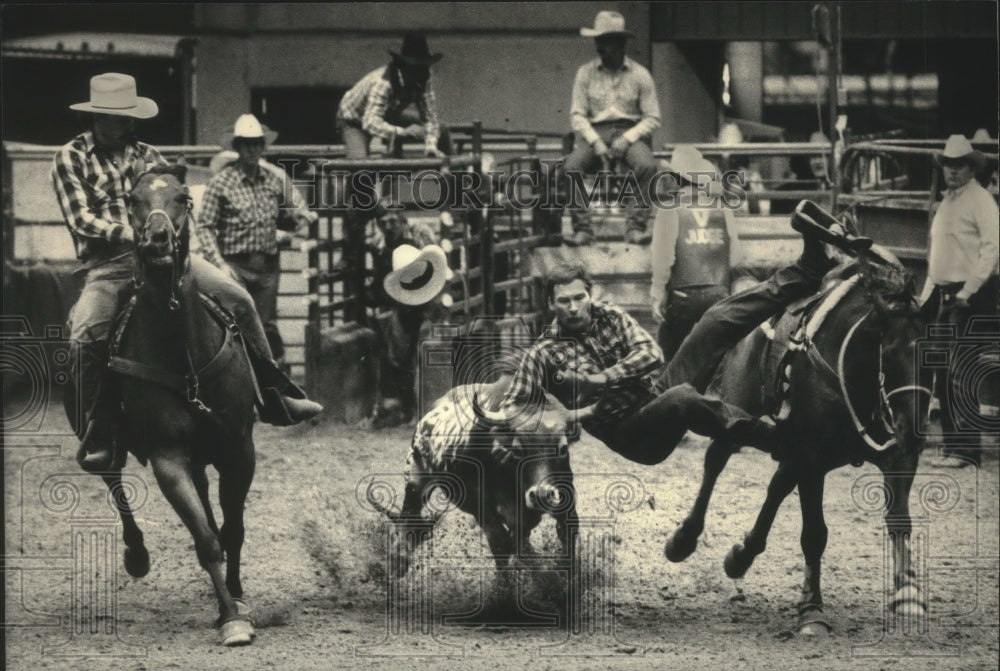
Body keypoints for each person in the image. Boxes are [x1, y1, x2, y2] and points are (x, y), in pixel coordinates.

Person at [52, 73, 323, 473]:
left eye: (127, 116)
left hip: (164, 259)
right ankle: (100, 431)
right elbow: (82, 219)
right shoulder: (70, 158)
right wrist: (136, 234)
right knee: (84, 336)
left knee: (239, 298)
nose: (122, 124)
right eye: (113, 116)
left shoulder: (149, 156)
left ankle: (276, 394)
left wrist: (167, 241)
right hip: (108, 266)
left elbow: (177, 204)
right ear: (95, 118)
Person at [500, 202, 872, 465]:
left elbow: (651, 354)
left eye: (579, 297)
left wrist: (599, 378)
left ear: (589, 293)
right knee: (683, 397)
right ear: (551, 305)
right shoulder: (543, 354)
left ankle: (807, 269)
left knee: (714, 320)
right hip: (632, 436)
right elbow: (513, 404)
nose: (574, 307)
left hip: (652, 392)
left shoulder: (608, 315)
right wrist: (550, 420)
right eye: (564, 301)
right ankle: (780, 442)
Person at [195, 114, 318, 369]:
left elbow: (288, 213)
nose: (252, 149)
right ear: (237, 147)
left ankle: (273, 380)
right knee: (234, 320)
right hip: (234, 264)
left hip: (267, 265)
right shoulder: (221, 183)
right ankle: (237, 376)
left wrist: (298, 218)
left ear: (263, 147)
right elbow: (205, 226)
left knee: (266, 323)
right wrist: (219, 263)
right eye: (246, 144)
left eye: (256, 143)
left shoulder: (273, 180)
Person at [919, 134, 1000, 468]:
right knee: (941, 369)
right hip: (944, 293)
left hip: (968, 296)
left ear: (971, 168)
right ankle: (955, 447)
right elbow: (938, 255)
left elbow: (992, 248)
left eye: (959, 165)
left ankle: (967, 450)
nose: (952, 171)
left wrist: (969, 290)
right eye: (948, 165)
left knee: (959, 372)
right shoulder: (948, 202)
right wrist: (926, 295)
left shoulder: (980, 200)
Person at [560, 10, 661, 246]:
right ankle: (583, 230)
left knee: (647, 166)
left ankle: (635, 227)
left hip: (629, 132)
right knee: (571, 167)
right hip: (595, 132)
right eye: (598, 41)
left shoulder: (640, 75)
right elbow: (577, 114)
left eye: (605, 42)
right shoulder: (585, 73)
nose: (599, 48)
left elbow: (653, 117)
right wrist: (595, 141)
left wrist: (627, 138)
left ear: (620, 44)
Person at [650, 145, 738, 362]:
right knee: (717, 356)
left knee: (669, 354)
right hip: (719, 291)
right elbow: (735, 253)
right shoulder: (722, 207)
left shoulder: (669, 208)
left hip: (683, 296)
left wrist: (657, 291)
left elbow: (664, 256)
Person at [336, 33, 450, 160]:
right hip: (354, 119)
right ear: (404, 67)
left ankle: (457, 177)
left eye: (424, 66)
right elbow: (370, 122)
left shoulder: (424, 78)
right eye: (416, 67)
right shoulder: (383, 82)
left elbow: (430, 119)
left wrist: (431, 148)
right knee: (360, 166)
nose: (422, 72)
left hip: (389, 112)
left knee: (441, 129)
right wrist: (402, 132)